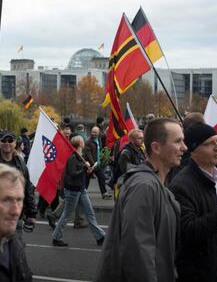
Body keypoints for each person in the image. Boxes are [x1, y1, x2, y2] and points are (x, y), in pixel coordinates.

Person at [95, 118, 186, 281]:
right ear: (156, 147)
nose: (184, 148)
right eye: (178, 141)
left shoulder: (157, 184)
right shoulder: (144, 187)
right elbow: (137, 255)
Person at [169, 123, 217, 282]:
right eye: (209, 144)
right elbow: (188, 231)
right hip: (200, 274)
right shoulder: (181, 186)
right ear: (193, 150)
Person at [52, 135, 106, 247]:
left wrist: (88, 170)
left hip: (81, 189)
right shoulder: (73, 157)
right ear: (80, 143)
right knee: (67, 214)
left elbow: (80, 173)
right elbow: (72, 173)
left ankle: (100, 236)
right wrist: (84, 168)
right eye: (82, 140)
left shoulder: (79, 156)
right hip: (73, 190)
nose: (84, 141)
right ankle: (56, 237)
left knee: (90, 213)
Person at [0, 130, 37, 233]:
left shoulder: (20, 163)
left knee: (15, 248)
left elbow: (27, 188)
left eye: (10, 140)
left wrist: (32, 213)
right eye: (4, 140)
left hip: (15, 216)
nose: (7, 143)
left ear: (15, 143)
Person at [84, 126, 112, 199]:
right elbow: (88, 154)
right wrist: (93, 164)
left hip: (97, 163)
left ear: (98, 133)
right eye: (93, 132)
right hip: (91, 165)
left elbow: (99, 150)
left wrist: (102, 159)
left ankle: (104, 193)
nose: (94, 134)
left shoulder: (99, 139)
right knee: (86, 180)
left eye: (95, 132)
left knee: (101, 177)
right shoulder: (88, 141)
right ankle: (83, 194)